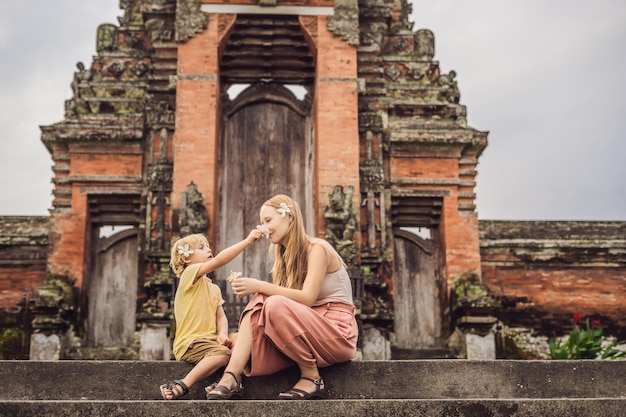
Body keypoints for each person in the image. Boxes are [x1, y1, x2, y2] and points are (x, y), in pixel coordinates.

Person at [206, 194, 358, 400]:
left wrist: (260, 285)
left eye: (268, 221)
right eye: (261, 223)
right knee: (261, 303)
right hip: (308, 332)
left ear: (290, 216)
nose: (264, 228)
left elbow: (306, 299)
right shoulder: (284, 258)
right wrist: (238, 337)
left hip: (336, 332)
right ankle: (231, 377)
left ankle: (311, 377)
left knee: (270, 299)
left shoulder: (317, 249)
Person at [159, 229, 264, 400]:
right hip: (191, 343)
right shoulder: (189, 275)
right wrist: (247, 241)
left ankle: (228, 381)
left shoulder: (213, 288)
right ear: (186, 258)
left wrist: (222, 334)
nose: (208, 249)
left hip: (211, 342)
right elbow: (220, 260)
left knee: (239, 338)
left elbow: (220, 316)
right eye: (201, 247)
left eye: (208, 246)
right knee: (223, 354)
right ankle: (182, 384)